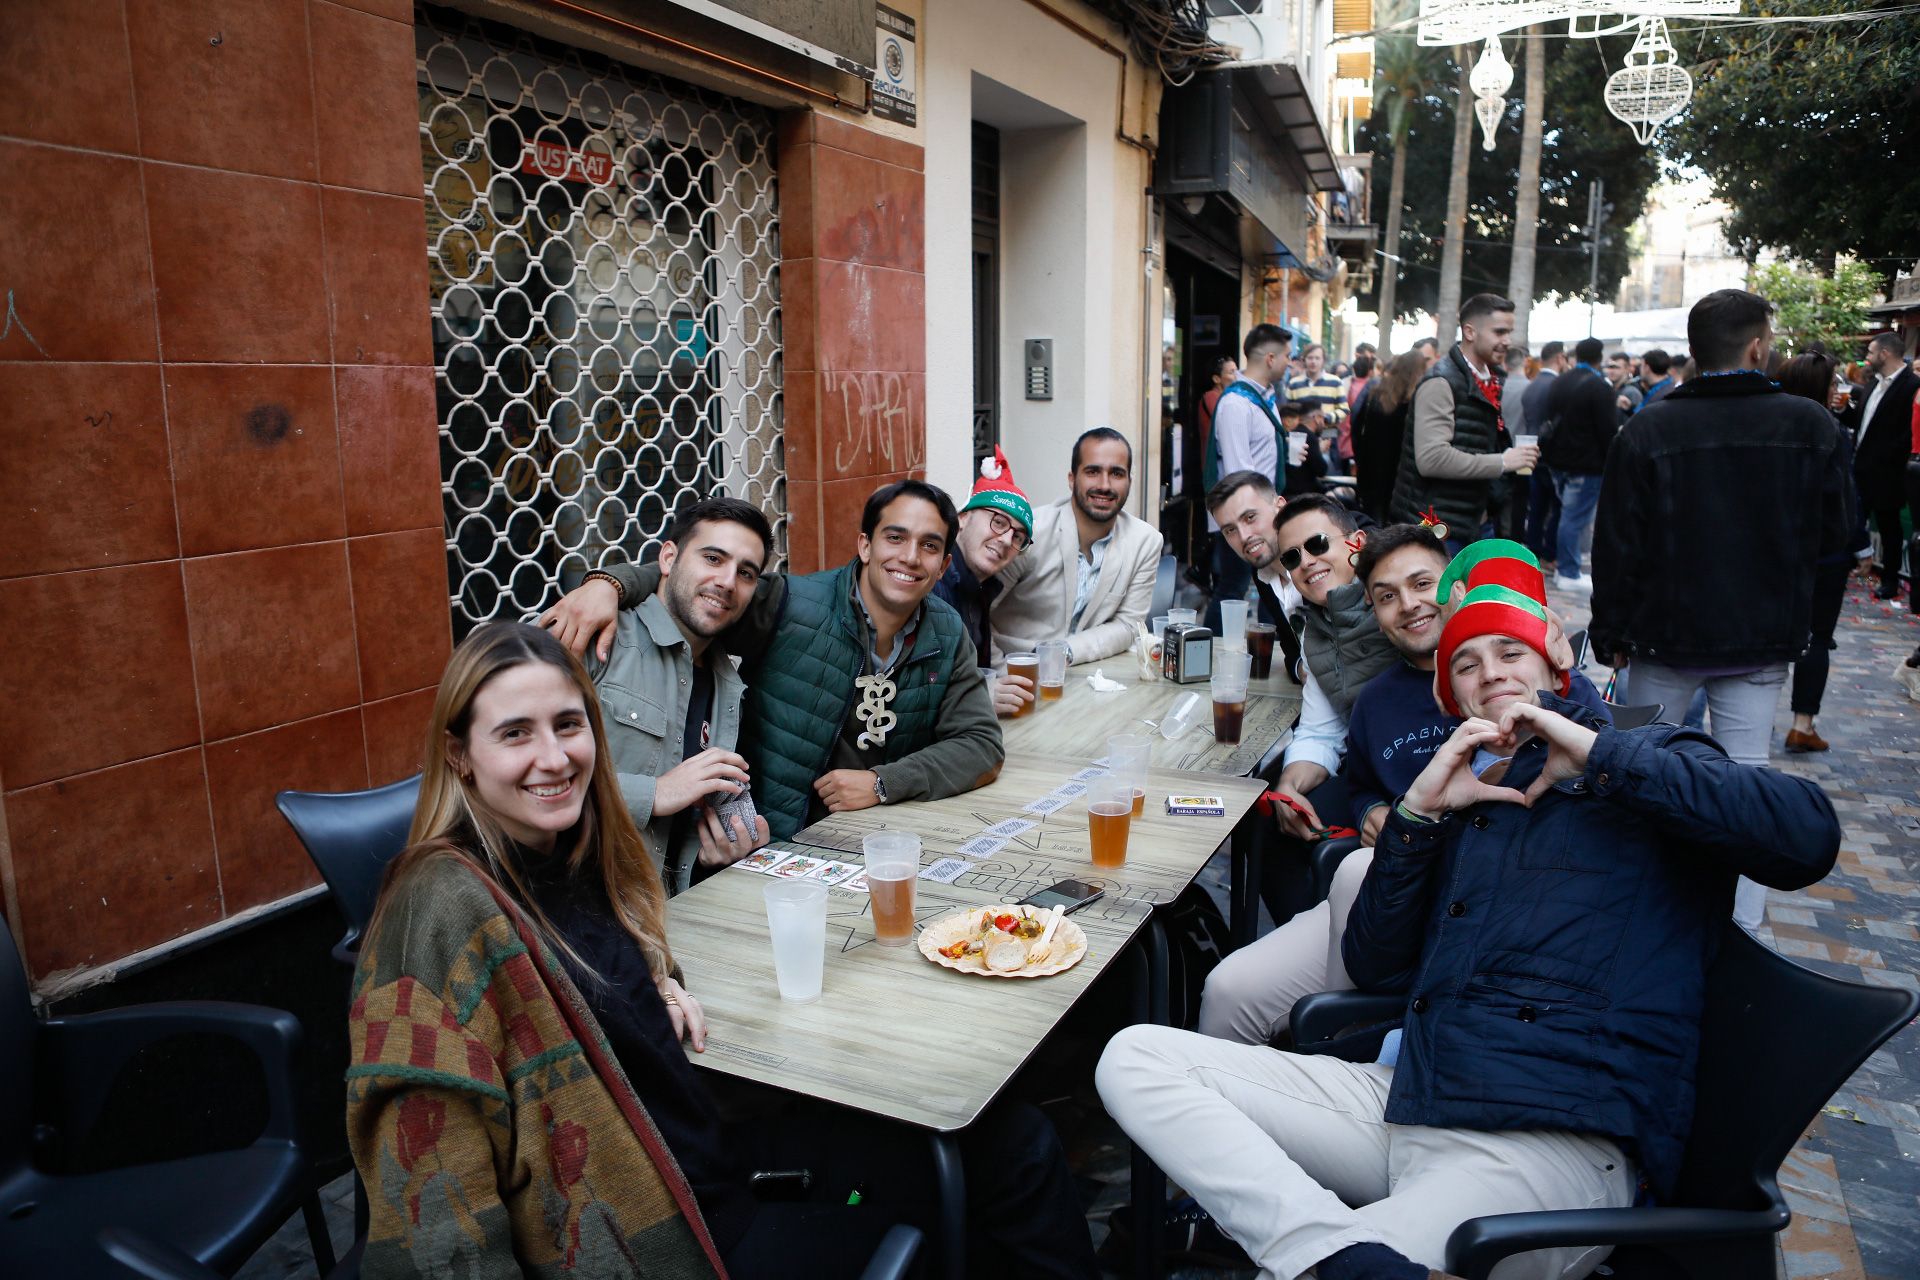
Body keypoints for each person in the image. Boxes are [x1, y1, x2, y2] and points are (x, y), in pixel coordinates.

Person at [1096, 575, 1841, 1280]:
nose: (1490, 672)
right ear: (1449, 697)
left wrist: (1598, 751)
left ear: (1554, 654)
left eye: (1509, 651)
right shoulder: (1469, 792)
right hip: (1412, 1101)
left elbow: (1806, 838)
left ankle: (1331, 1255)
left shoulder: (1650, 761)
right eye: (1467, 665)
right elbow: (1375, 960)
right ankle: (1333, 1250)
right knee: (1135, 1059)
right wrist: (1418, 817)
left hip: (1549, 1142)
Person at [347, 622, 1097, 1278]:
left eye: (569, 725)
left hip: (728, 1166)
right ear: (459, 755)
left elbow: (594, 964)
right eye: (515, 733)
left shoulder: (568, 850)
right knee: (983, 1174)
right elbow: (430, 1194)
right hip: (682, 1240)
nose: (554, 757)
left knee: (1009, 1143)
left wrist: (657, 978)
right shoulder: (437, 908)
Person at [1198, 532, 1608, 1047]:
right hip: (1391, 886)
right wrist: (1369, 805)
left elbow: (1602, 748)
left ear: (1455, 590)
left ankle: (1337, 1050)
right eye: (1387, 596)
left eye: (1422, 584)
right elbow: (1361, 777)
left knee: (1352, 875)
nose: (1409, 604)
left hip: (1489, 907)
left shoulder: (1539, 682)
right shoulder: (1378, 700)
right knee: (1227, 989)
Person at [1591, 288, 1851, 931]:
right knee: (1745, 782)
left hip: (1660, 634)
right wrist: (1809, 621)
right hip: (1758, 636)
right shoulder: (1809, 425)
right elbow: (1838, 540)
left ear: (1694, 349)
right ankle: (1740, 930)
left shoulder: (1650, 427)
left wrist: (1611, 629)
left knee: (1636, 771)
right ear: (1758, 347)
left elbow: (1617, 541)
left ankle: (1631, 913)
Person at [542, 479, 1004, 841]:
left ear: (944, 564)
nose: (909, 557)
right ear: (865, 545)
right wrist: (609, 584)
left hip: (880, 838)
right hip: (777, 845)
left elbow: (982, 744)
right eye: (895, 537)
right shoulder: (790, 605)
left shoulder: (945, 630)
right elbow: (696, 588)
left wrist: (884, 782)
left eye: (928, 545)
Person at [574, 497, 774, 895]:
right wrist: (655, 793)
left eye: (746, 573)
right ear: (668, 558)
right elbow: (512, 784)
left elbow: (674, 834)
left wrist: (712, 854)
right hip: (573, 913)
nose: (728, 581)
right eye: (713, 558)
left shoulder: (725, 683)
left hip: (665, 914)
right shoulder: (598, 639)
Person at [1255, 497, 1399, 846]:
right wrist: (1289, 786)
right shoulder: (1315, 636)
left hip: (1420, 771)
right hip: (1371, 772)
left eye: (1317, 544)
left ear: (1358, 543)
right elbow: (1321, 732)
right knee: (1266, 820)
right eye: (1292, 557)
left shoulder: (1401, 604)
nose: (1306, 562)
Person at [993, 426, 1165, 667]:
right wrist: (1000, 673)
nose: (1104, 485)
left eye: (1116, 473)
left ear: (1129, 481)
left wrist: (1063, 652)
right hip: (1013, 670)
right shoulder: (1030, 531)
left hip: (1088, 671)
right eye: (1093, 471)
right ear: (1072, 479)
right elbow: (975, 609)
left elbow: (1128, 626)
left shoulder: (1145, 541)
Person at [1778, 352, 1875, 751]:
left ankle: (1754, 716)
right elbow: (1843, 496)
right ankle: (1802, 723)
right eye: (1833, 383)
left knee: (1773, 636)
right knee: (1817, 638)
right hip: (1823, 552)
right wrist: (1860, 544)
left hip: (1775, 549)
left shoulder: (1770, 427)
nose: (1838, 390)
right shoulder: (1830, 430)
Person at [1388, 294, 1538, 543]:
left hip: (1475, 522)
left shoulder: (1491, 378)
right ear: (1470, 332)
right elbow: (1432, 459)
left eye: (1509, 333)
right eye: (1499, 332)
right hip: (1438, 529)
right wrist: (1502, 461)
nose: (1507, 341)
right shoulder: (1441, 381)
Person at [1204, 324, 1295, 631]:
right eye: (1287, 357)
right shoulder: (1236, 405)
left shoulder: (1263, 399)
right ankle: (1209, 652)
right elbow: (1237, 474)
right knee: (1232, 587)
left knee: (1271, 585)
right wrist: (1248, 520)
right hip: (1242, 518)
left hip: (1264, 513)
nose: (1289, 363)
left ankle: (1282, 654)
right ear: (1270, 358)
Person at [937, 446, 1034, 711]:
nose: (1005, 540)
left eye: (1018, 537)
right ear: (963, 518)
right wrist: (979, 699)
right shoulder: (934, 581)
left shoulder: (979, 587)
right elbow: (920, 682)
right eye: (999, 522)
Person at [1839, 331, 1918, 602]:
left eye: (1871, 353)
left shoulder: (1911, 385)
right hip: (1860, 468)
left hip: (1888, 473)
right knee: (1852, 519)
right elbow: (1861, 424)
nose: (1867, 359)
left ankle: (1890, 580)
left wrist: (1883, 458)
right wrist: (1842, 411)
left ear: (1885, 354)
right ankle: (1853, 564)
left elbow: (1908, 434)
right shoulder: (1872, 384)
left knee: (1889, 528)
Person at [1205, 470, 1306, 681]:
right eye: (1230, 530)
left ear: (1280, 507)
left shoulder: (1319, 556)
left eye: (1250, 517)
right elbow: (1292, 650)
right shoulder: (1263, 574)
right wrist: (1302, 671)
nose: (1244, 536)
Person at [1539, 337, 1618, 595]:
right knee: (1572, 518)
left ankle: (1567, 565)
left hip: (1558, 461)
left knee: (1566, 515)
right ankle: (1569, 571)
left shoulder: (1560, 381)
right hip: (1585, 465)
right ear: (1599, 357)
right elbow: (1607, 429)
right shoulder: (1599, 386)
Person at [1352, 351, 1424, 522]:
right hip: (1400, 476)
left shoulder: (1376, 395)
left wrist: (1360, 459)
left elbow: (1356, 427)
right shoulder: (1414, 402)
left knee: (1373, 522)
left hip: (1371, 472)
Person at [1521, 340, 1569, 571]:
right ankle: (1548, 554)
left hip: (1531, 455)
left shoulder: (1532, 384)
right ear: (1560, 358)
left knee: (1537, 509)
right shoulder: (1556, 386)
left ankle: (1533, 553)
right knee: (1555, 509)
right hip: (1550, 457)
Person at [1287, 342, 1348, 429]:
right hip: (1302, 434)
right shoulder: (1294, 383)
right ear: (1304, 360)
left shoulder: (1335, 382)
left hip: (1328, 434)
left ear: (1323, 360)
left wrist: (1326, 418)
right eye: (1310, 358)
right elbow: (1288, 411)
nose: (1313, 362)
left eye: (1317, 358)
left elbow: (1344, 410)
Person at [1604, 351, 1643, 418]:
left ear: (1627, 369)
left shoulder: (1632, 392)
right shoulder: (1611, 390)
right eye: (1609, 367)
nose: (1611, 371)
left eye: (1616, 367)